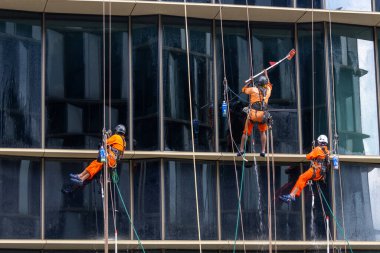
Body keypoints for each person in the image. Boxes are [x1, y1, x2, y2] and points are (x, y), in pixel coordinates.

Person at [279, 134, 330, 203]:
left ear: (319, 142)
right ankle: (293, 195)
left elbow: (308, 157)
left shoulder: (317, 149)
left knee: (301, 177)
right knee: (304, 180)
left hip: (315, 170)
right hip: (321, 174)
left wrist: (312, 151)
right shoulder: (327, 152)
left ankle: (292, 195)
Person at [237, 70, 272, 158]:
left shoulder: (253, 89)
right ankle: (263, 151)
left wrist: (249, 82)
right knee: (262, 132)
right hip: (262, 116)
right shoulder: (268, 91)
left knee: (245, 133)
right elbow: (269, 85)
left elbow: (243, 90)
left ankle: (241, 150)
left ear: (258, 83)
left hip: (253, 115)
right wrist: (266, 75)